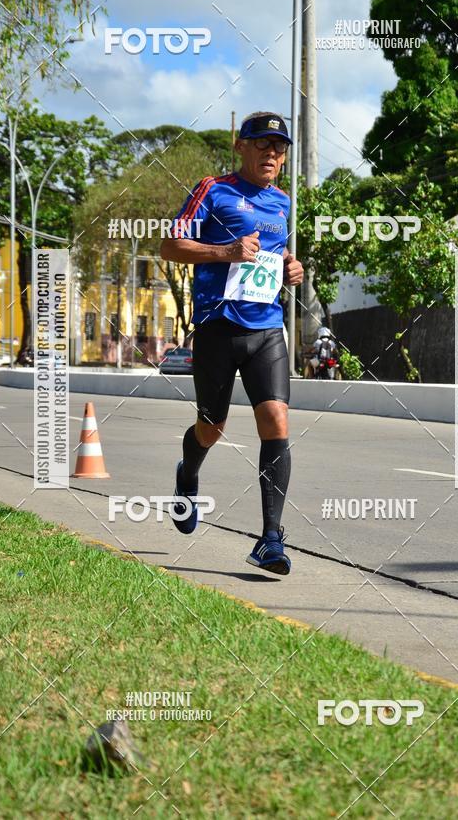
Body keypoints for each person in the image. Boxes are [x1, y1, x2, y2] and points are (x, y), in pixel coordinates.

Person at [160, 111, 303, 575]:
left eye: (279, 147)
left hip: (266, 328)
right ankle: (188, 475)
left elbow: (273, 254)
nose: (272, 153)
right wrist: (224, 251)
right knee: (211, 428)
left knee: (276, 418)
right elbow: (170, 246)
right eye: (262, 143)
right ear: (240, 146)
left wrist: (290, 267)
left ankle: (271, 540)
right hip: (218, 328)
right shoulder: (213, 189)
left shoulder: (281, 201)